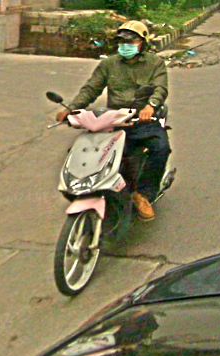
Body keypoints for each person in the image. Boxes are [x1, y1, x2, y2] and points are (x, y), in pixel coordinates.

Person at [56, 21, 170, 222]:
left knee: (160, 148)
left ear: (142, 43)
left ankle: (143, 195)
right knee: (87, 150)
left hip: (142, 119)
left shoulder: (155, 63)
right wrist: (71, 108)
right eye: (122, 41)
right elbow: (91, 89)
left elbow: (160, 88)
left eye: (131, 41)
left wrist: (150, 105)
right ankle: (87, 187)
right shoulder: (109, 64)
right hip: (114, 119)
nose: (126, 45)